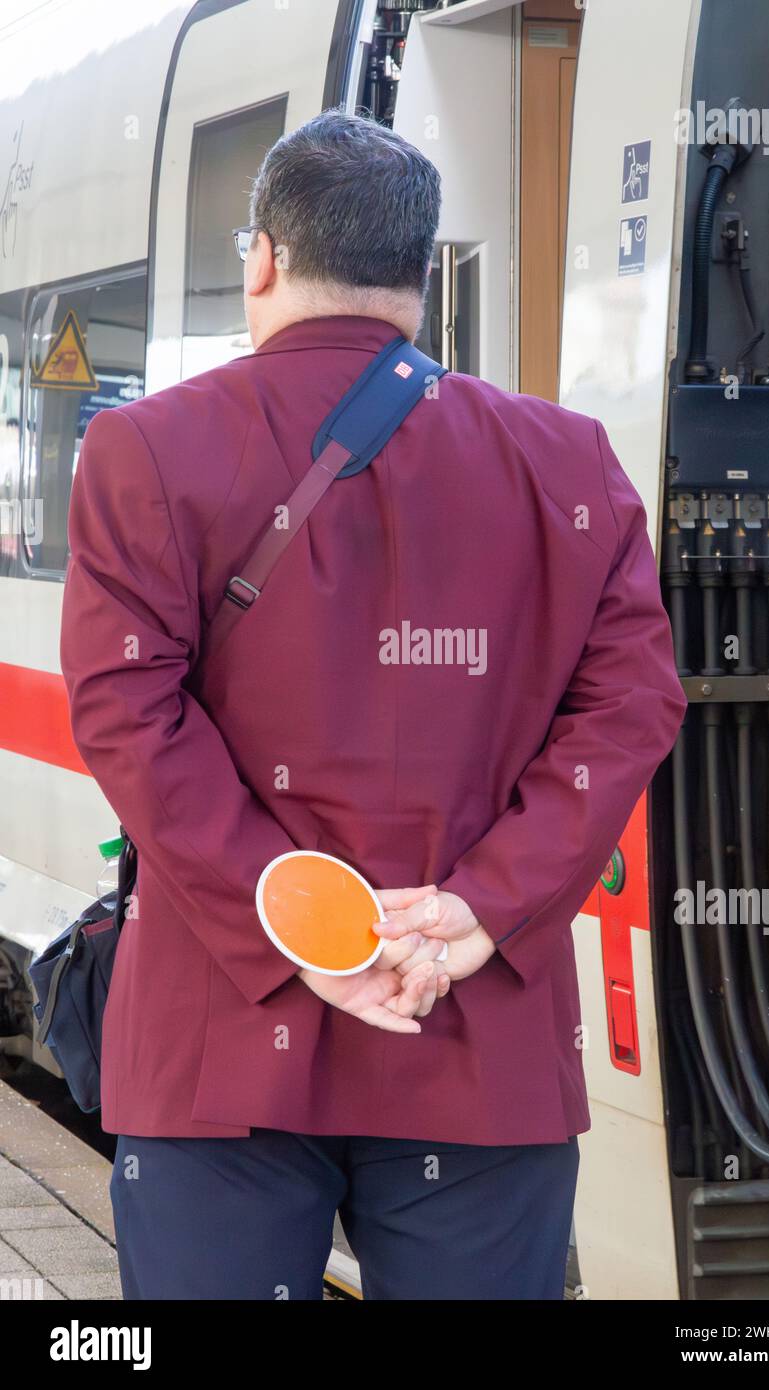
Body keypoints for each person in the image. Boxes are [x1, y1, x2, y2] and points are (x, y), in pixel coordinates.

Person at [60, 110, 687, 1301]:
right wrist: (477, 911)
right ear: (415, 275)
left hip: (220, 1040)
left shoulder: (145, 449)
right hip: (476, 1034)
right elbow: (631, 709)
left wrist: (301, 928)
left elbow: (126, 713)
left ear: (263, 258)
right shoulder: (566, 459)